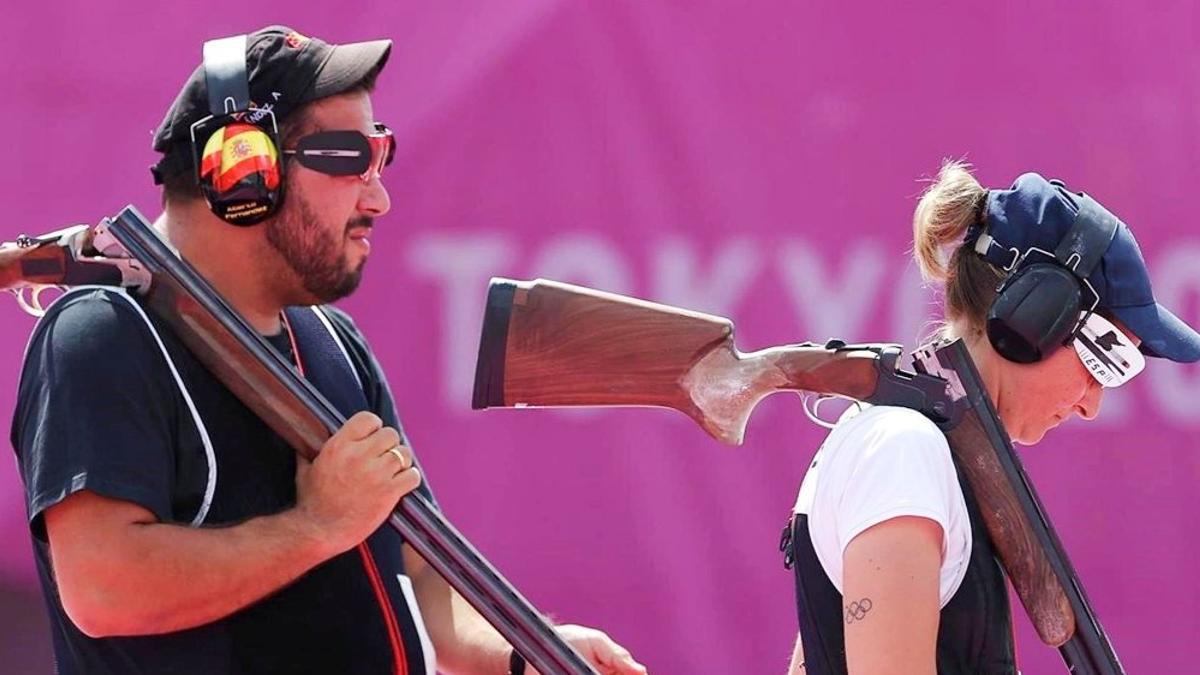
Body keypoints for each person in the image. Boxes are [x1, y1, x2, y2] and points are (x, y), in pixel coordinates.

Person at [10, 25, 646, 675]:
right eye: (348, 158)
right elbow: (104, 588)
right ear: (241, 170)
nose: (378, 195)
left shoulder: (335, 347)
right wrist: (316, 525)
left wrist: (528, 650)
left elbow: (423, 575)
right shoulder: (103, 335)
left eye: (381, 156)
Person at [783, 161, 1200, 675]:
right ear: (1033, 317)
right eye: (1103, 357)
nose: (1092, 406)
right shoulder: (903, 450)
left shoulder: (900, 445)